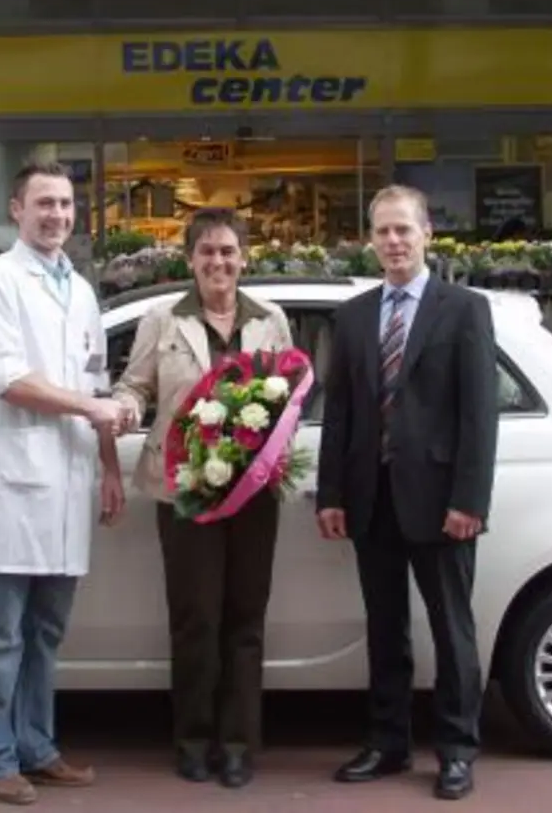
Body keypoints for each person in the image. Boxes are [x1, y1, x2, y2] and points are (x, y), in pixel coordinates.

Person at [0, 161, 129, 806]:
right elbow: (9, 380)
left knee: (45, 633)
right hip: (11, 484)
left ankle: (35, 746)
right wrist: (92, 412)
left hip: (68, 480)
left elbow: (94, 382)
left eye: (66, 204)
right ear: (17, 211)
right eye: (44, 204)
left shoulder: (80, 290)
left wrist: (108, 465)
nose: (57, 215)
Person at [313, 184, 499, 801]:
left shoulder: (463, 309)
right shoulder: (356, 315)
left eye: (404, 230)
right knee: (384, 626)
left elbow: (480, 416)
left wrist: (470, 500)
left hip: (442, 500)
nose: (393, 242)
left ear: (427, 236)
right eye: (383, 231)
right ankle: (388, 743)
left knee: (452, 628)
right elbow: (339, 414)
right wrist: (331, 493)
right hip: (372, 498)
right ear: (369, 240)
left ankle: (456, 751)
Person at [110, 208, 296, 788]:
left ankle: (238, 743)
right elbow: (134, 384)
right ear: (190, 260)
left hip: (253, 491)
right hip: (185, 488)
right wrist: (127, 408)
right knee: (195, 620)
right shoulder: (161, 320)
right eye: (207, 252)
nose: (218, 262)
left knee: (245, 618)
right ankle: (192, 738)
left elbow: (292, 396)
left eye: (228, 251)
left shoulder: (271, 319)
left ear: (245, 257)